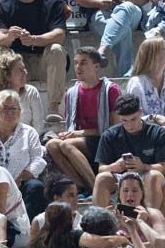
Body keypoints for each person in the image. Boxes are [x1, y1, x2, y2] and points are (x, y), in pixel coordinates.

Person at [0, 0, 66, 123]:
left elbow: (60, 35)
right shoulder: (6, 6)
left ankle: (53, 108)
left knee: (56, 49)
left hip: (43, 64)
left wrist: (33, 40)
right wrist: (9, 36)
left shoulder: (52, 3)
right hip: (18, 65)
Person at [44, 48, 119, 192]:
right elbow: (71, 125)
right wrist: (70, 134)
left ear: (96, 66)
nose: (78, 67)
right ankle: (80, 186)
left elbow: (114, 128)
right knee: (52, 145)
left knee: (66, 145)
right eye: (76, 63)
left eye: (84, 63)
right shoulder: (71, 93)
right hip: (80, 141)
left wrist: (80, 133)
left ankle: (94, 187)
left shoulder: (110, 89)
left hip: (104, 141)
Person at [0, 90, 46, 220]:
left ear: (20, 111)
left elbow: (38, 160)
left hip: (21, 185)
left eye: (14, 108)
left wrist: (20, 178)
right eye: (5, 108)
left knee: (36, 187)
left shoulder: (29, 133)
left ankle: (27, 229)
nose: (10, 112)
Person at [92, 93, 165, 213]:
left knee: (154, 176)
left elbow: (163, 167)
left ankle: (149, 221)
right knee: (101, 178)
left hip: (147, 175)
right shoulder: (109, 135)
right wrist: (115, 166)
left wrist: (143, 166)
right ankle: (100, 222)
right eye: (125, 121)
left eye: (133, 119)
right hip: (121, 176)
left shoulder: (158, 133)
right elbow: (102, 169)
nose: (129, 125)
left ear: (140, 112)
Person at [125, 37, 165, 134]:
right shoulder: (137, 83)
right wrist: (155, 118)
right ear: (154, 55)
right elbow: (132, 117)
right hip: (146, 138)